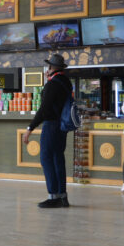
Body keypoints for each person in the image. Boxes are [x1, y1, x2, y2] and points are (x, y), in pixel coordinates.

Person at [23, 54, 73, 208]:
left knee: (47, 159)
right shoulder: (66, 82)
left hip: (51, 125)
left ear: (50, 67)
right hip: (62, 126)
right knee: (58, 159)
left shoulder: (52, 84)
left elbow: (44, 109)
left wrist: (30, 128)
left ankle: (53, 196)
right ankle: (62, 196)